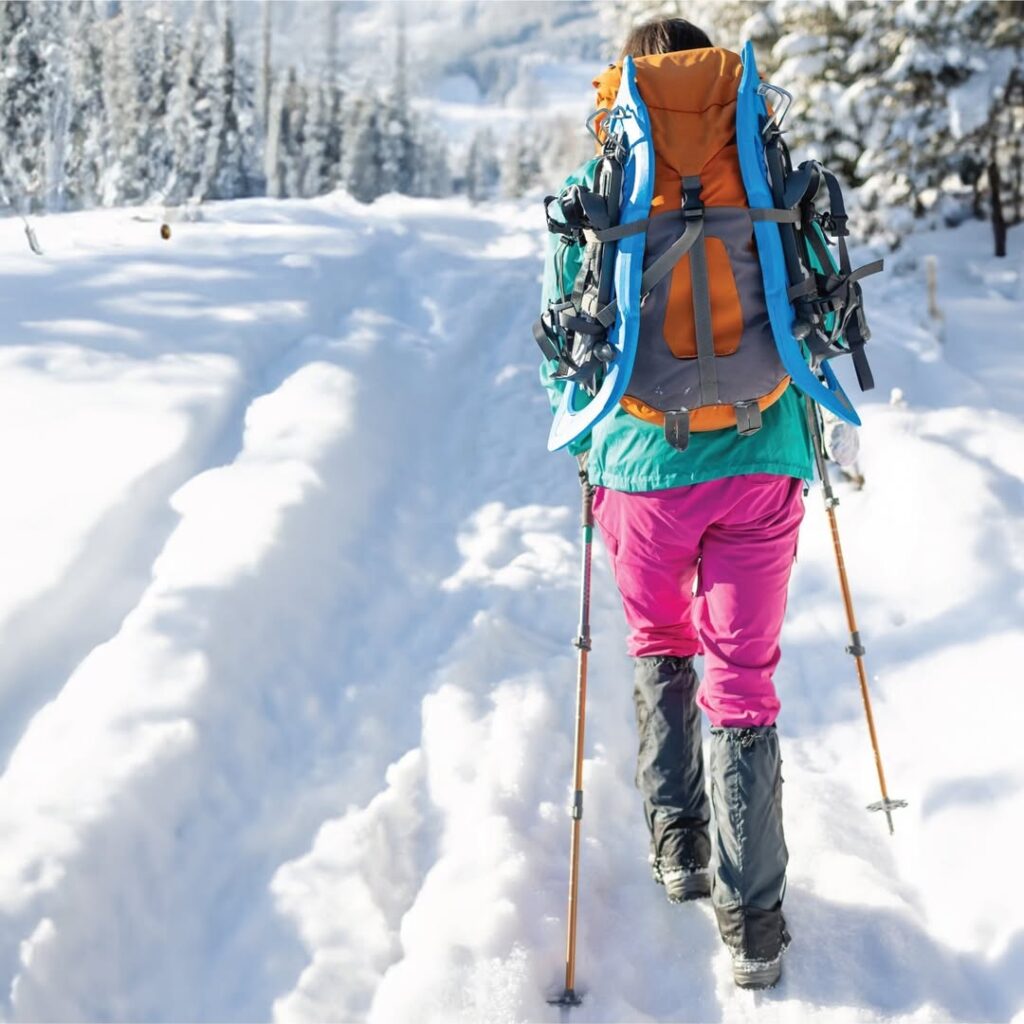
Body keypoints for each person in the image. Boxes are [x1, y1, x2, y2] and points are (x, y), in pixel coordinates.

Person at [538, 17, 816, 990]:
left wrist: (587, 447)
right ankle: (753, 929)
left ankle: (678, 845)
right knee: (743, 675)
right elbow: (812, 307)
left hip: (639, 466)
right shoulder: (763, 166)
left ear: (627, 88)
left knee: (661, 639)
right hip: (762, 451)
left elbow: (562, 345)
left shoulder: (604, 187)